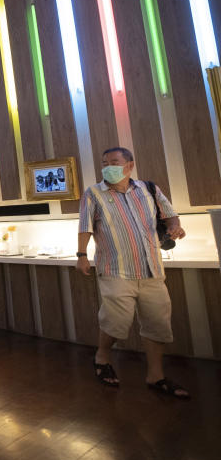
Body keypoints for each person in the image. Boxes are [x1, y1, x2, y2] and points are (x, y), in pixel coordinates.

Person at [76, 146, 189, 398]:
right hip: (115, 269)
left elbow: (170, 216)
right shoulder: (94, 193)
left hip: (152, 269)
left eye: (114, 161)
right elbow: (85, 225)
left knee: (157, 323)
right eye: (104, 162)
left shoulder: (149, 189)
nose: (107, 166)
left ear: (129, 165)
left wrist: (176, 228)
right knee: (115, 322)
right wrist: (82, 255)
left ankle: (156, 375)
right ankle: (102, 357)